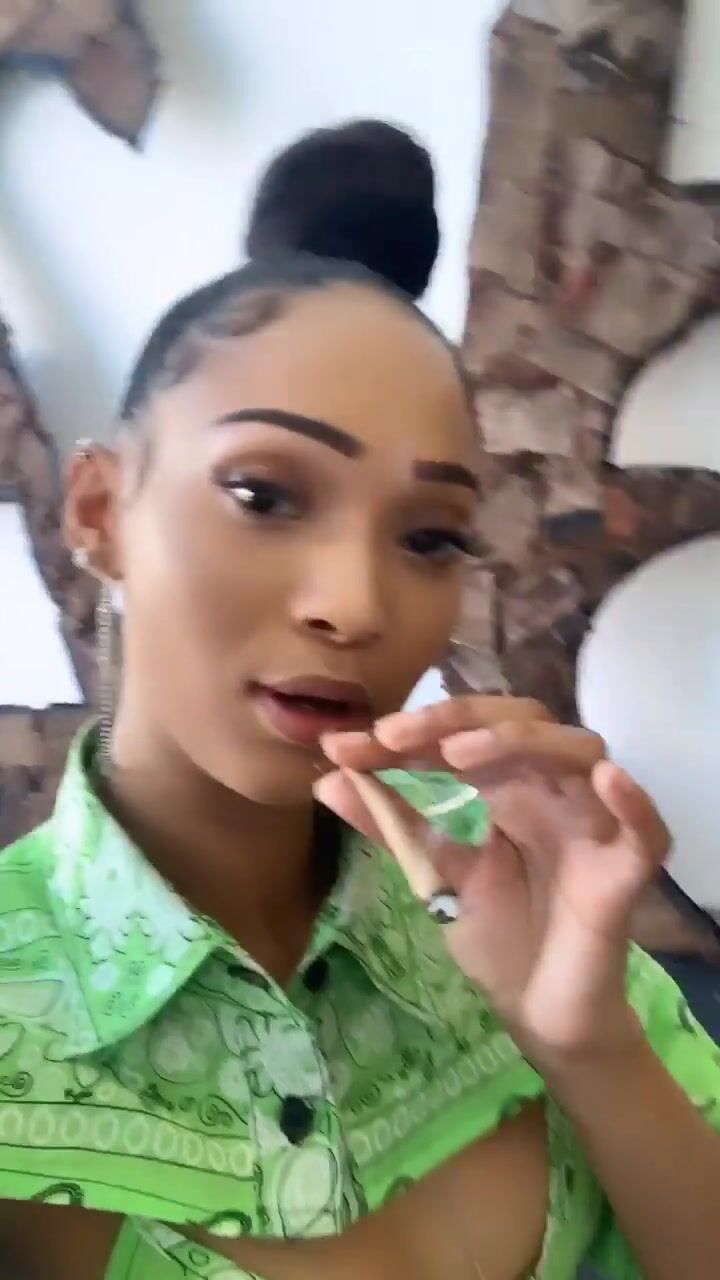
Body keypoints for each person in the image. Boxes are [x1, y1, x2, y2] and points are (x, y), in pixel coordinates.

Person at [0, 120, 717, 1280]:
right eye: (264, 494)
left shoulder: (515, 879)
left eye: (429, 536)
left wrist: (591, 1043)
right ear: (98, 511)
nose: (356, 604)